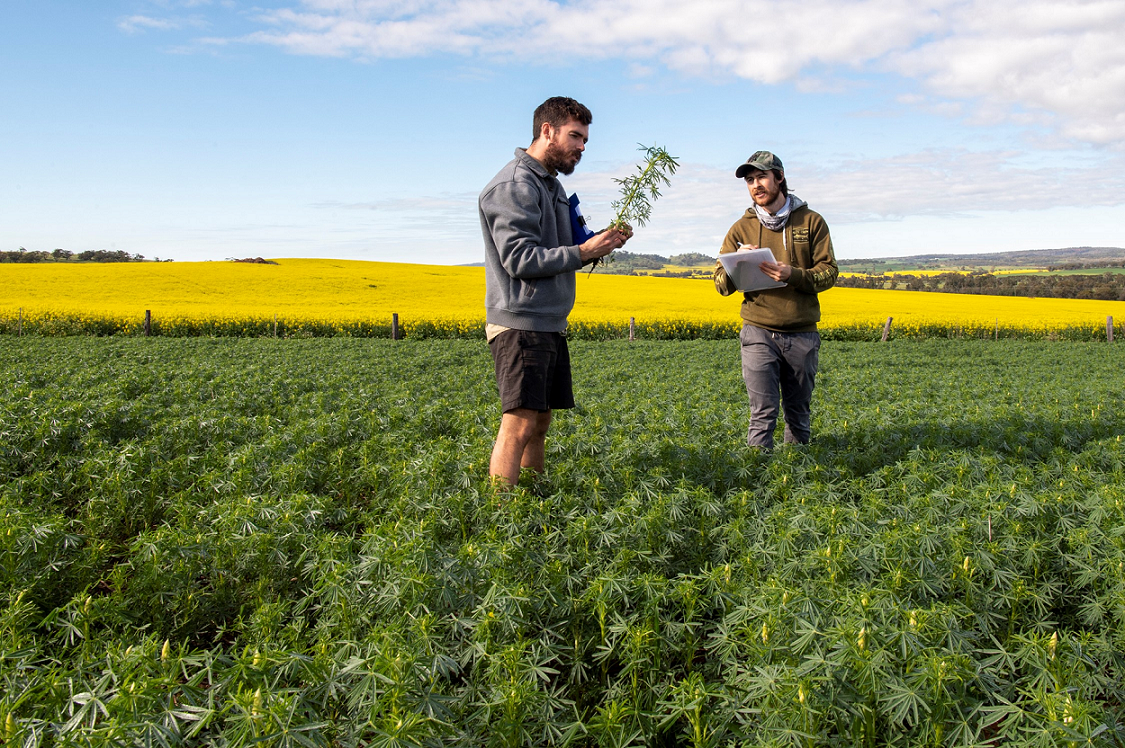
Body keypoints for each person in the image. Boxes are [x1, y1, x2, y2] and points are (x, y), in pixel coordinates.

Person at [479, 96, 631, 487]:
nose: (582, 147)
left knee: (540, 419)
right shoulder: (515, 185)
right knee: (519, 421)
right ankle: (503, 518)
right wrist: (583, 251)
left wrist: (599, 244)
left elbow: (564, 248)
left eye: (584, 139)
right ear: (547, 131)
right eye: (575, 136)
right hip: (521, 322)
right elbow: (519, 258)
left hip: (547, 321)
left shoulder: (552, 186)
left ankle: (531, 496)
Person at [713, 151, 838, 449]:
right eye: (750, 180)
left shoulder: (811, 222)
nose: (755, 185)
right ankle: (758, 479)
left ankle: (795, 479)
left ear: (779, 178)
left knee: (798, 413)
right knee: (762, 413)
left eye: (761, 177)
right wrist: (736, 266)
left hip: (802, 333)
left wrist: (791, 274)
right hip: (758, 331)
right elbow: (719, 284)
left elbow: (830, 273)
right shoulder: (740, 228)